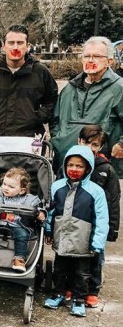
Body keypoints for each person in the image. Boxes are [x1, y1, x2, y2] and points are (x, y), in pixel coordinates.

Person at [43, 145, 108, 317]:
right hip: (62, 238)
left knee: (82, 273)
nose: (74, 169)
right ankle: (58, 294)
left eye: (79, 166)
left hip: (84, 242)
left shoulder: (96, 191)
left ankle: (79, 300)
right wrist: (49, 230)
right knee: (60, 269)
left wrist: (98, 242)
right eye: (70, 165)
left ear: (88, 168)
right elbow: (51, 211)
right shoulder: (57, 187)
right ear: (65, 165)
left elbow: (102, 219)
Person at [0, 24, 58, 146]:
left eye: (20, 43)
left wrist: (38, 117)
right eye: (11, 43)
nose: (15, 47)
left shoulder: (41, 72)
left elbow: (52, 99)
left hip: (31, 139)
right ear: (4, 46)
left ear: (28, 46)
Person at [50, 36, 123, 177]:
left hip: (101, 165)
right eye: (87, 56)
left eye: (96, 56)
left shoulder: (119, 88)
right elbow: (55, 119)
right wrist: (58, 140)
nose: (90, 60)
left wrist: (121, 144)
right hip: (67, 163)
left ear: (109, 61)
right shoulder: (70, 88)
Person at [68, 125, 120, 307]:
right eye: (87, 142)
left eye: (95, 145)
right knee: (70, 254)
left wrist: (112, 228)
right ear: (79, 141)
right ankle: (70, 285)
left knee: (95, 256)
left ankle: (92, 289)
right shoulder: (70, 165)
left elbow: (113, 200)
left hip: (96, 222)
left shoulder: (106, 169)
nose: (90, 147)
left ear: (101, 147)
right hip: (73, 221)